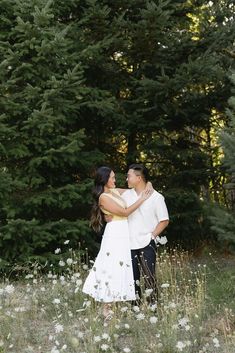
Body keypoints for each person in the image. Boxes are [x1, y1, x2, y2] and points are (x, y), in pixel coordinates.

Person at [82, 166, 153, 319]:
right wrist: (142, 199)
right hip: (114, 234)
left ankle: (114, 303)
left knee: (121, 266)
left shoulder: (114, 191)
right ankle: (105, 308)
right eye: (112, 178)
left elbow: (132, 190)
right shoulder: (103, 197)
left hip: (123, 233)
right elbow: (125, 212)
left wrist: (148, 185)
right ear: (104, 180)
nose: (115, 180)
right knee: (111, 266)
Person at [121, 164, 169, 303]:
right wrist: (149, 183)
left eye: (129, 176)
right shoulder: (126, 195)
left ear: (139, 178)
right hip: (129, 243)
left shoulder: (156, 197)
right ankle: (135, 308)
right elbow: (109, 190)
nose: (126, 179)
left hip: (147, 242)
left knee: (149, 276)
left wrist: (151, 236)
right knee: (132, 278)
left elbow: (164, 220)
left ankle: (153, 308)